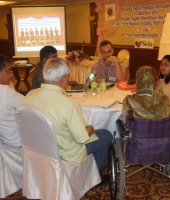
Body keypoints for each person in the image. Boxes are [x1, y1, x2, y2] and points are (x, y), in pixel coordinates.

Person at [23, 58, 113, 186]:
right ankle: (92, 176)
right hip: (65, 152)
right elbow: (81, 138)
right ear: (64, 78)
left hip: (38, 147)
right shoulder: (68, 104)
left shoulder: (30, 95)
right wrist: (90, 129)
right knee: (106, 135)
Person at [0, 54, 24, 147]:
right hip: (15, 142)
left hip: (4, 139)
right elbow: (29, 103)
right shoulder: (5, 91)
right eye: (8, 70)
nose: (11, 74)